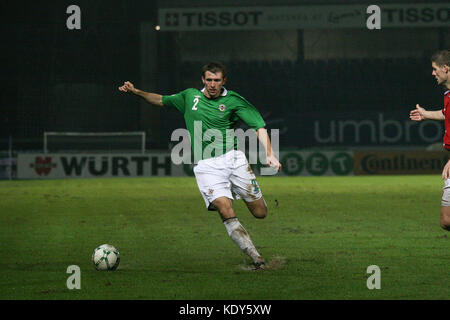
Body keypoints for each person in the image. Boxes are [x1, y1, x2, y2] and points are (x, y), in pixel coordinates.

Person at [119, 61, 282, 269]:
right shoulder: (189, 97)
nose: (213, 84)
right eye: (209, 80)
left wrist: (270, 154)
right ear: (203, 80)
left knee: (260, 213)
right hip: (207, 166)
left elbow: (258, 126)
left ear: (224, 81)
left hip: (234, 160)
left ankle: (238, 190)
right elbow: (161, 100)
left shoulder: (234, 101)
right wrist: (136, 92)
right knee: (224, 208)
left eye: (217, 80)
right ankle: (256, 257)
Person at [410, 49, 450, 230]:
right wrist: (426, 114)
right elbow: (445, 114)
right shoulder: (448, 94)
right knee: (446, 220)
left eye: (435, 69)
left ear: (446, 68)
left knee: (447, 220)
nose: (432, 73)